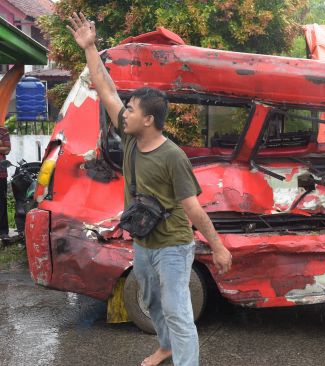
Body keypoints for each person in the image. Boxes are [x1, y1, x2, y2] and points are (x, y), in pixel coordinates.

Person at [68, 12, 232, 366]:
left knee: (178, 310)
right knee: (152, 302)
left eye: (131, 110)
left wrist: (218, 248)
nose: (124, 113)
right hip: (143, 242)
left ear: (149, 119)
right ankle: (166, 346)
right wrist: (91, 47)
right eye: (126, 109)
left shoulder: (173, 157)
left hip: (172, 245)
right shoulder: (130, 140)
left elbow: (193, 209)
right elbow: (106, 88)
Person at [0, 125, 10, 241]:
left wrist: (3, 145)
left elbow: (7, 149)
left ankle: (3, 232)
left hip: (1, 172)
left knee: (2, 203)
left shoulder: (3, 130)